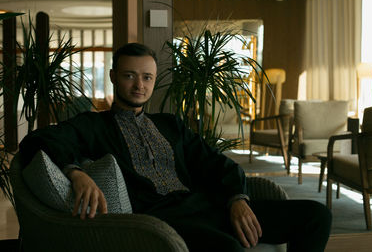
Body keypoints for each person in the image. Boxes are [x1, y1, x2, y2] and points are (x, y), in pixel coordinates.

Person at [19, 43, 332, 252]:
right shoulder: (94, 124)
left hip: (208, 206)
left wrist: (237, 198)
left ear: (154, 80)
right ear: (114, 77)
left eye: (146, 77)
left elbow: (216, 163)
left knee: (316, 215)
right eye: (129, 76)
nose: (139, 85)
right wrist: (75, 172)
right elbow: (37, 141)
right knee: (228, 249)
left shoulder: (171, 125)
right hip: (161, 221)